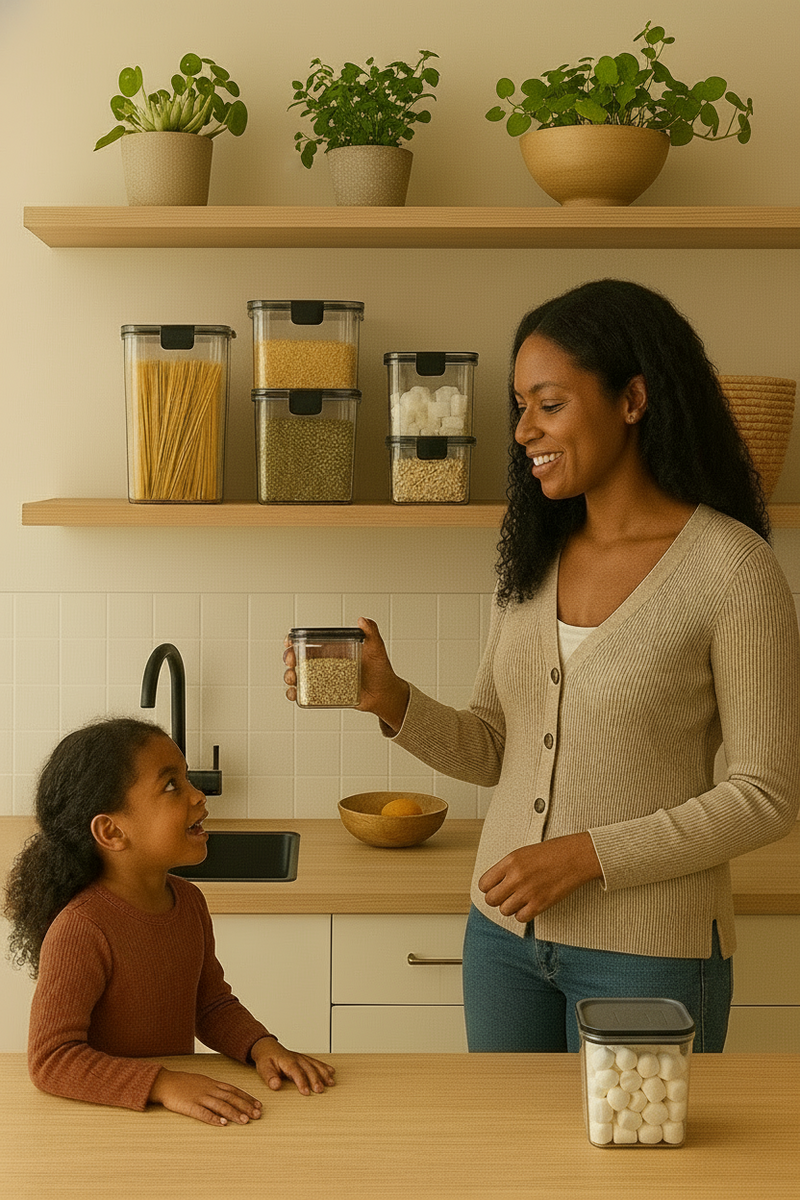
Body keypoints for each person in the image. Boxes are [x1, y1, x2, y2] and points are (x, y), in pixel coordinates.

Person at [285, 278, 800, 1053]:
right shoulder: (535, 559)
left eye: (548, 404)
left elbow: (767, 794)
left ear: (633, 399)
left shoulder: (733, 569)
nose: (524, 430)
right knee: (505, 1166)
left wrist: (585, 857)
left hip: (649, 951)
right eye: (519, 406)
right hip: (502, 941)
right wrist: (391, 700)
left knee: (636, 1174)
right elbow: (495, 747)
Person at [3, 717, 335, 1124]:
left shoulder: (189, 902)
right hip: (102, 1122)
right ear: (111, 831)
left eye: (188, 778)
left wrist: (261, 1046)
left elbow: (209, 1004)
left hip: (167, 1118)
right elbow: (52, 1060)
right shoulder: (81, 929)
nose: (198, 796)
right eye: (172, 785)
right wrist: (163, 1084)